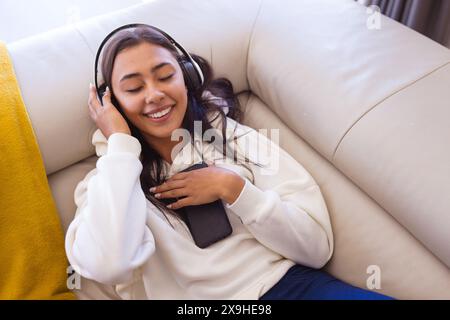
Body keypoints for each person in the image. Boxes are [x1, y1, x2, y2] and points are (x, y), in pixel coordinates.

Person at [65, 25, 394, 300]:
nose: (153, 95)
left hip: (294, 288)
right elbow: (109, 264)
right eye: (134, 87)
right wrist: (121, 148)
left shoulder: (235, 139)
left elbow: (316, 248)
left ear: (188, 78)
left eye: (165, 76)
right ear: (114, 103)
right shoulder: (106, 183)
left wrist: (233, 188)